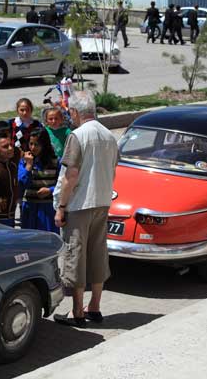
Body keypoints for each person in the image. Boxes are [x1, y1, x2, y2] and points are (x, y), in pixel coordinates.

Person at [52, 91, 119, 328]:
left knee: (76, 256)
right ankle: (95, 306)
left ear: (74, 112)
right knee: (98, 254)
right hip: (102, 201)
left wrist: (61, 207)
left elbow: (70, 175)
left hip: (80, 204)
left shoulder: (77, 136)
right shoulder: (109, 136)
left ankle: (78, 311)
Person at [19, 129, 60, 233]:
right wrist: (28, 166)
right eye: (31, 144)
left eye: (36, 144)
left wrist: (50, 190)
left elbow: (63, 184)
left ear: (44, 145)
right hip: (29, 208)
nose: (33, 148)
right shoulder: (24, 161)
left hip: (48, 209)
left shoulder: (56, 161)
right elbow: (21, 184)